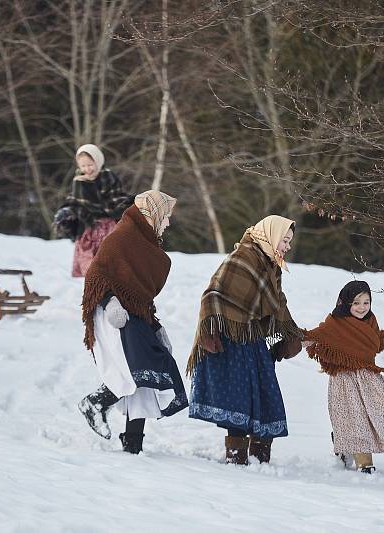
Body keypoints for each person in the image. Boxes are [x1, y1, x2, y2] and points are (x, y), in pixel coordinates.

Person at [186, 215, 303, 466]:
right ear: (270, 236)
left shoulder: (271, 265)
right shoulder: (242, 258)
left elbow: (278, 303)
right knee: (239, 401)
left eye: (289, 241)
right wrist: (209, 331)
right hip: (232, 340)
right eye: (284, 240)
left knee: (265, 396)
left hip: (254, 341)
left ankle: (260, 459)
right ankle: (237, 459)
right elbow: (212, 295)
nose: (287, 246)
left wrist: (291, 334)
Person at [77, 190, 187, 454]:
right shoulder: (121, 238)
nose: (168, 223)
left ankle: (133, 444)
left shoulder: (150, 247)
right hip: (113, 314)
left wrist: (154, 325)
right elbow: (96, 275)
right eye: (165, 216)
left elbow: (141, 295)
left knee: (152, 372)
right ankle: (95, 402)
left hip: (137, 315)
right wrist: (109, 302)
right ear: (152, 214)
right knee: (135, 370)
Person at [302, 280, 384, 474]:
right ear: (345, 303)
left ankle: (342, 439)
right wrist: (286, 343)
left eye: (366, 302)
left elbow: (376, 341)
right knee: (355, 420)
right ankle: (364, 463)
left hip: (368, 378)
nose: (362, 307)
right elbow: (311, 337)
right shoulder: (334, 325)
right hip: (344, 380)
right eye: (356, 303)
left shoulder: (370, 321)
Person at [53, 144, 133, 277]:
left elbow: (116, 199)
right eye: (83, 166)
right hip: (88, 228)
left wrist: (130, 203)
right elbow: (74, 202)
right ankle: (92, 285)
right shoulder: (78, 181)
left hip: (107, 228)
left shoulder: (108, 177)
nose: (87, 169)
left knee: (109, 260)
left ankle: (110, 287)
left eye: (90, 165)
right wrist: (67, 212)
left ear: (98, 161)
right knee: (90, 266)